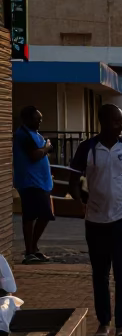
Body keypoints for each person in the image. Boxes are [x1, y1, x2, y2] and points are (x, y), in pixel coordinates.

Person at [68, 104, 122, 336]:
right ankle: (104, 322)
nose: (120, 125)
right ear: (103, 122)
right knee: (100, 275)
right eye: (116, 121)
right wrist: (77, 196)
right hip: (96, 221)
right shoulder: (87, 148)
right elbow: (73, 178)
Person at [14, 106, 56, 263]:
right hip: (30, 182)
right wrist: (47, 147)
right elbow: (35, 155)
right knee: (34, 215)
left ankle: (33, 248)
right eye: (37, 119)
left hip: (42, 182)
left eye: (40, 119)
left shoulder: (34, 134)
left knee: (45, 215)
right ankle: (29, 251)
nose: (40, 121)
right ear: (27, 119)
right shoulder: (23, 135)